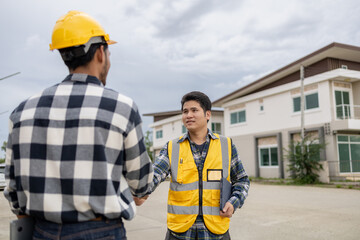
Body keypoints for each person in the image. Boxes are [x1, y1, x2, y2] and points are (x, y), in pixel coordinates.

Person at [3, 10, 153, 239]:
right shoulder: (121, 107)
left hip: (43, 231)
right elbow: (141, 184)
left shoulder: (22, 112)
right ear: (101, 52)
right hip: (102, 231)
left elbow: (13, 189)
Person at [146, 91, 250, 240]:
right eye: (185, 111)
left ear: (207, 114)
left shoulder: (226, 145)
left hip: (216, 233)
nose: (188, 115)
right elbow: (153, 176)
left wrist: (234, 202)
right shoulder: (172, 147)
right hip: (180, 233)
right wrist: (140, 189)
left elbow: (242, 180)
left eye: (194, 110)